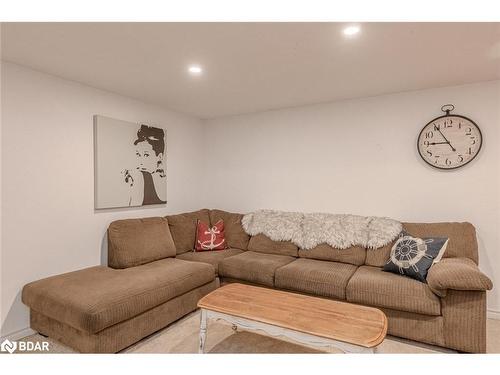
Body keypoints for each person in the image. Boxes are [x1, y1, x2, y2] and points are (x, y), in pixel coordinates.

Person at [123, 125, 166, 206]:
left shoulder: (140, 176)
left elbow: (132, 210)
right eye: (138, 154)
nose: (141, 162)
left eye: (146, 155)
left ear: (159, 157)